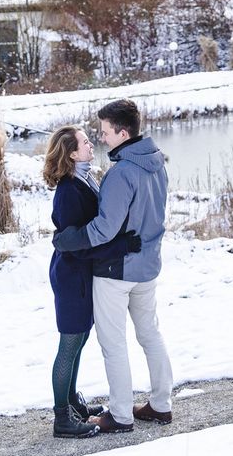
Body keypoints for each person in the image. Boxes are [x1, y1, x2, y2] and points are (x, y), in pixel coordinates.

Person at [53, 99, 174, 433]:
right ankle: (161, 404)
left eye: (105, 131)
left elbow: (104, 229)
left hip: (116, 271)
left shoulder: (121, 173)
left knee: (114, 344)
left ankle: (120, 414)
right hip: (148, 267)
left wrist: (69, 239)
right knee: (150, 334)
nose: (102, 138)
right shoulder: (157, 163)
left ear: (122, 133)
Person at [43, 124, 141, 440]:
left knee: (80, 339)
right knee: (69, 344)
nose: (90, 144)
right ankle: (62, 419)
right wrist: (120, 246)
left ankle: (72, 402)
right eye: (85, 142)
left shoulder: (84, 178)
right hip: (72, 277)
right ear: (72, 153)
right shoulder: (68, 191)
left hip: (81, 275)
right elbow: (79, 245)